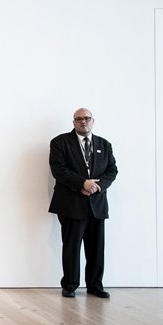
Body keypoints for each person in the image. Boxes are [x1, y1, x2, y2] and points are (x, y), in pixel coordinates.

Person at [48, 108, 118, 298]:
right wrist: (82, 184)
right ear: (73, 122)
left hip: (97, 204)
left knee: (96, 248)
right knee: (72, 246)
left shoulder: (104, 144)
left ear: (93, 121)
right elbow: (59, 170)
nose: (83, 121)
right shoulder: (60, 142)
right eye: (78, 119)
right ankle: (70, 285)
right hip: (71, 204)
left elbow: (112, 171)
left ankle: (95, 285)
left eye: (87, 118)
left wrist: (97, 186)